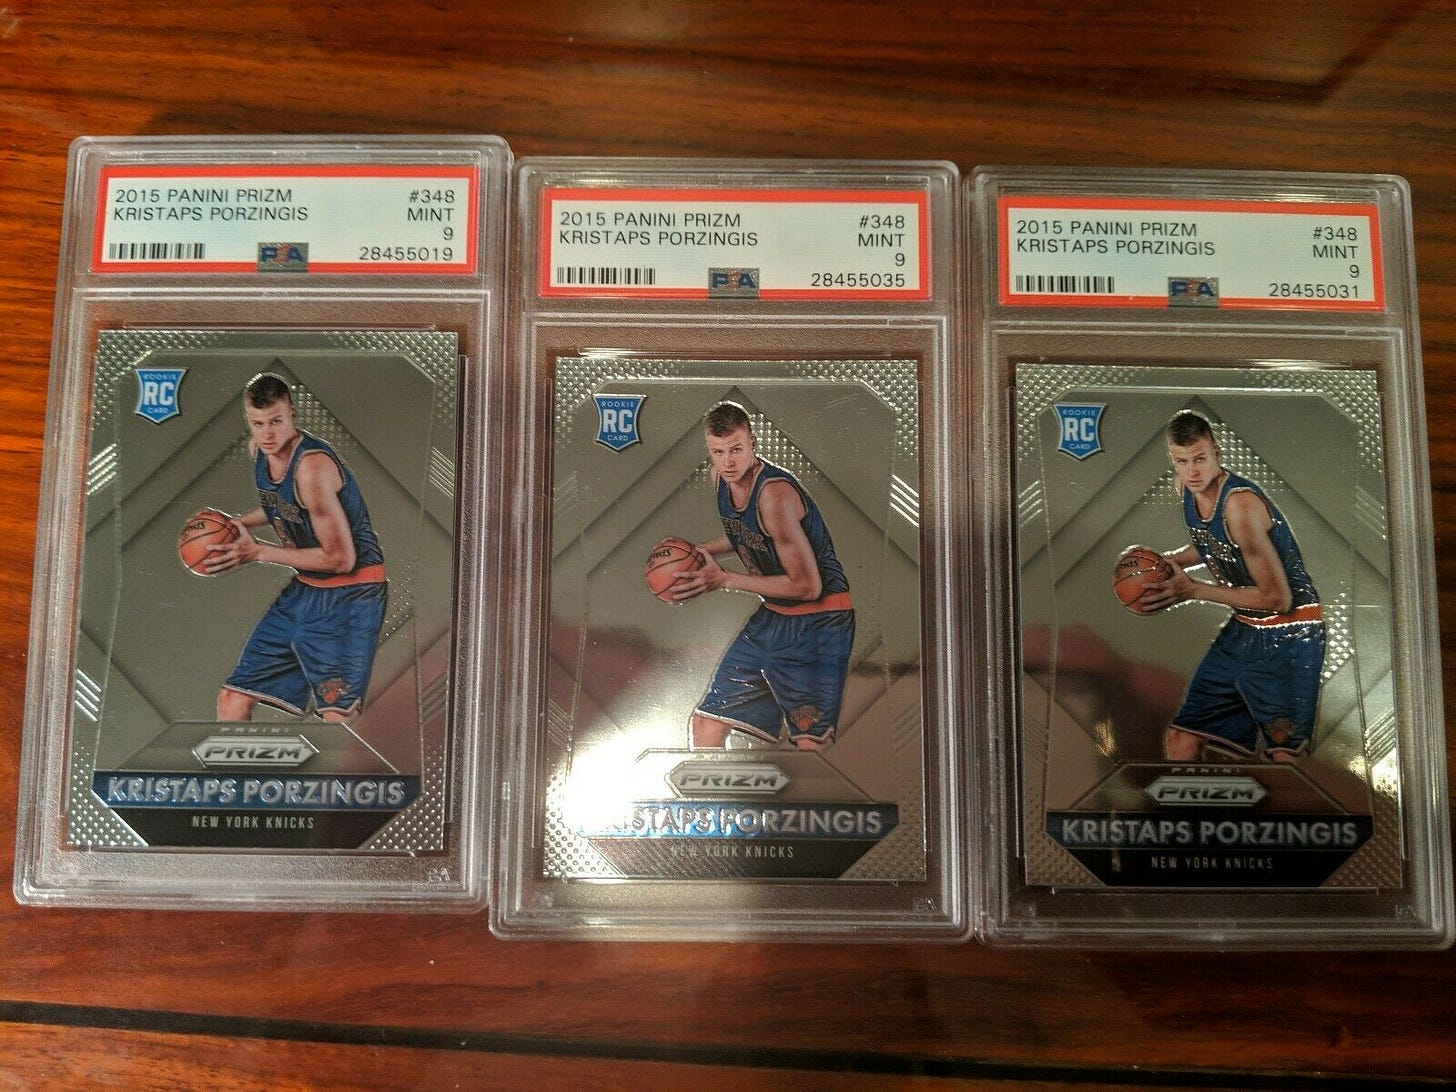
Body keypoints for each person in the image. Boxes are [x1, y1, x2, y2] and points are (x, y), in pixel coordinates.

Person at [666, 401, 854, 751]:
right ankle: (708, 788)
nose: (728, 462)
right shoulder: (720, 479)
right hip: (774, 617)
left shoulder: (774, 496)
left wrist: (725, 579)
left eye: (736, 449)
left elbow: (807, 586)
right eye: (718, 452)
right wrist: (698, 552)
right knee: (707, 724)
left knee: (809, 742)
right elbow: (750, 536)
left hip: (819, 621)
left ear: (753, 443)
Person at [1142, 409, 1324, 763]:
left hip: (1290, 631)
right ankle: (1185, 801)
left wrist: (1194, 590)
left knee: (1285, 757)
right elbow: (1213, 543)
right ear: (1172, 461)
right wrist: (1172, 561)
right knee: (1182, 738)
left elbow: (1278, 598)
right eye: (1182, 462)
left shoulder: (1240, 505)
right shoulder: (1186, 487)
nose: (1192, 471)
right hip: (1245, 628)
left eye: (1200, 459)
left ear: (1217, 452)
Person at [206, 371, 387, 723]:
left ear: (292, 413)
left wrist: (259, 551)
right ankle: (234, 761)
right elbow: (283, 505)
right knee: (232, 699)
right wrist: (236, 524)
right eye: (258, 423)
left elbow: (341, 558)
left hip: (351, 593)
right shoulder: (260, 449)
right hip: (306, 589)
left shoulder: (312, 469)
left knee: (337, 716)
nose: (267, 433)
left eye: (276, 421)